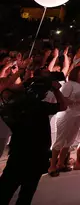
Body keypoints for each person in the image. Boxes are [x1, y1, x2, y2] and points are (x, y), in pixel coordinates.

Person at [0, 73, 66, 204]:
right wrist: (56, 89)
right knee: (27, 193)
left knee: (5, 191)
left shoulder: (9, 107)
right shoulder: (40, 106)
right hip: (37, 154)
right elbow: (63, 106)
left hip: (18, 153)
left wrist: (25, 84)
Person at [49, 66, 80, 175]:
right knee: (60, 139)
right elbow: (63, 99)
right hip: (67, 114)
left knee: (70, 139)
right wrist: (77, 101)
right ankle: (52, 166)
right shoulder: (69, 84)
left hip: (79, 114)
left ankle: (61, 163)